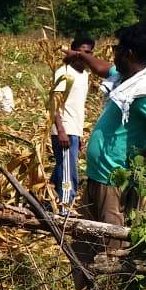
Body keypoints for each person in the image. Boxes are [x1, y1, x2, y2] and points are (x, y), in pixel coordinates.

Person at [62, 21, 146, 290]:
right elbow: (104, 68)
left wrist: (136, 162)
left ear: (128, 53)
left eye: (116, 50)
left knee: (111, 249)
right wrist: (81, 56)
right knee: (86, 243)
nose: (112, 55)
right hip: (101, 177)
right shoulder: (130, 76)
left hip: (114, 183)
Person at [49, 33, 95, 212]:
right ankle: (65, 209)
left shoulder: (84, 75)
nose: (85, 56)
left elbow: (76, 107)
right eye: (82, 51)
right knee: (69, 171)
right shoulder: (63, 73)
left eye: (89, 52)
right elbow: (54, 104)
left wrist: (79, 134)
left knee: (62, 167)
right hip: (64, 129)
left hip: (74, 130)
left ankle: (48, 200)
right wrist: (61, 130)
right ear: (73, 51)